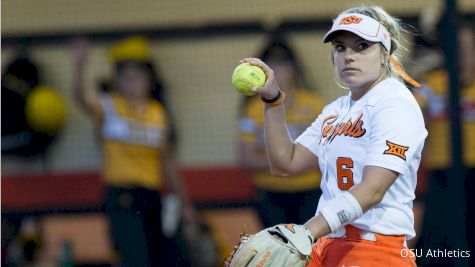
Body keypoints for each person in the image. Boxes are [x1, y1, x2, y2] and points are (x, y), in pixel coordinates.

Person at [234, 4, 427, 266]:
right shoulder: (336, 110)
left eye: (361, 46)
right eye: (340, 47)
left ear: (385, 54)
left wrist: (307, 231)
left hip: (375, 247)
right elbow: (285, 163)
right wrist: (273, 101)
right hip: (328, 244)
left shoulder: (395, 102)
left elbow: (373, 189)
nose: (348, 56)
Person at [71, 36, 195, 266]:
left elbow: (167, 162)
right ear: (117, 82)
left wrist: (185, 203)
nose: (134, 81)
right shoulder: (109, 106)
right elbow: (80, 99)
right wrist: (79, 66)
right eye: (127, 77)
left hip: (151, 195)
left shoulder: (158, 112)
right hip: (121, 196)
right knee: (136, 257)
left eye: (139, 76)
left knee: (163, 256)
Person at [237, 37, 325, 227]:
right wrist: (291, 161)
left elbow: (326, 152)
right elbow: (246, 158)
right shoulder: (252, 109)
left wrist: (286, 161)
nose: (276, 71)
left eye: (282, 64)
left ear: (294, 68)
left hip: (310, 191)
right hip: (269, 193)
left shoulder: (314, 104)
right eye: (271, 64)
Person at [413, 21, 475, 266]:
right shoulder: (433, 83)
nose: (462, 54)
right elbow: (411, 108)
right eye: (456, 48)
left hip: (472, 173)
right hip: (442, 176)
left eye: (469, 48)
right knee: (437, 244)